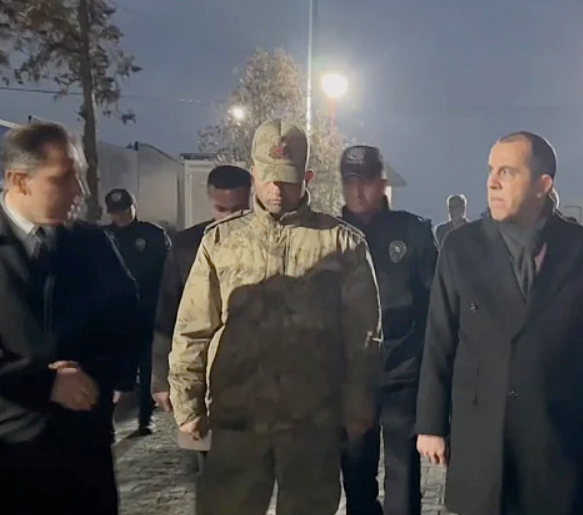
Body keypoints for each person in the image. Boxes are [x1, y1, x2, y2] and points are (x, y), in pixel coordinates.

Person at [169, 119, 383, 515]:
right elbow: (193, 329)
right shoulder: (221, 242)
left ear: (307, 177)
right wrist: (187, 403)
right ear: (254, 174)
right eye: (268, 178)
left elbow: (364, 338)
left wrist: (359, 407)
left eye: (286, 179)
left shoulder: (342, 244)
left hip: (312, 422)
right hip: (237, 421)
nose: (276, 189)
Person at [416, 131, 583, 515]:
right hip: (481, 432)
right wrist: (431, 424)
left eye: (507, 172)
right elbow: (440, 337)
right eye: (491, 171)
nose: (492, 182)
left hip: (555, 433)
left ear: (543, 184)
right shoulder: (461, 247)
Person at [0, 122, 140, 514]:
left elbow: (128, 321)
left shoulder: (90, 243)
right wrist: (45, 383)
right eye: (62, 179)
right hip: (11, 458)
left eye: (79, 176)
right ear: (19, 180)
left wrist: (96, 376)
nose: (79, 191)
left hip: (84, 456)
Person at [339, 145, 438, 515]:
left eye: (366, 181)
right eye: (350, 181)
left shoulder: (412, 231)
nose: (358, 190)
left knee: (403, 477)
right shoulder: (329, 234)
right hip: (351, 376)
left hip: (402, 372)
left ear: (382, 183)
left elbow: (433, 306)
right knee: (356, 477)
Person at [151, 164, 251, 470]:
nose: (230, 219)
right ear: (209, 200)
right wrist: (160, 379)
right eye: (222, 209)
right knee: (207, 473)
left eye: (239, 210)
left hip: (254, 384)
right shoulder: (187, 246)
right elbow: (167, 314)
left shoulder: (269, 245)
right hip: (202, 382)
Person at [104, 187, 170, 437]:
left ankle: (145, 419)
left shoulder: (153, 235)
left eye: (125, 210)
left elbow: (167, 273)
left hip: (147, 312)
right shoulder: (102, 237)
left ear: (134, 207)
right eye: (116, 212)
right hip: (115, 316)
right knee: (113, 370)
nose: (121, 216)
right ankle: (107, 420)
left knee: (147, 367)